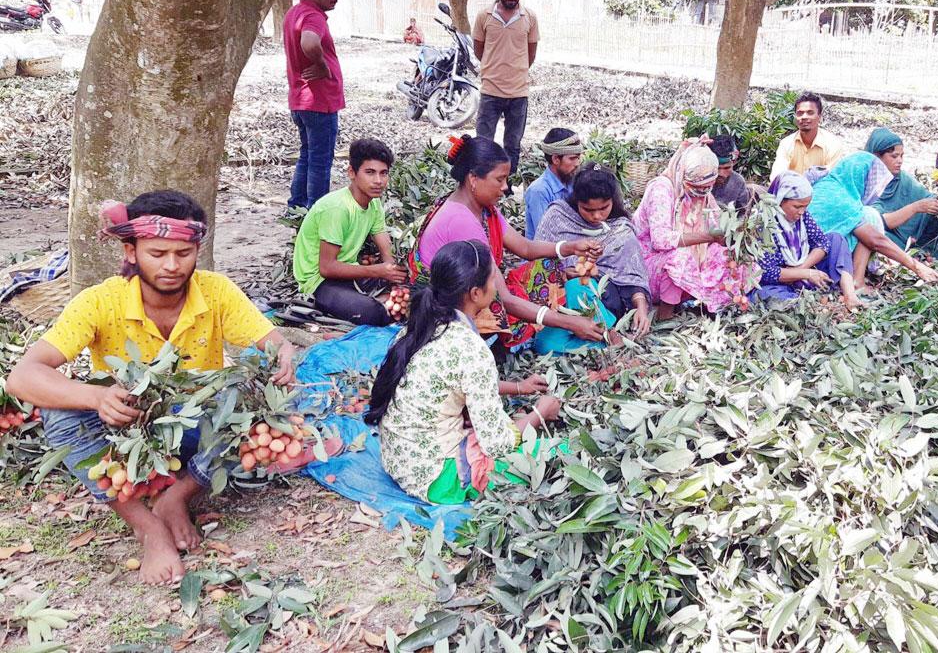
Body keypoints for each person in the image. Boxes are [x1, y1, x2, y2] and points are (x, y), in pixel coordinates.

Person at [5, 191, 297, 585]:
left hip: (196, 426)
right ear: (131, 251)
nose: (173, 266)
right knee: (60, 413)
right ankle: (146, 525)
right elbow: (23, 376)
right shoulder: (100, 301)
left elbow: (270, 340)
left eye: (184, 253)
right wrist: (96, 397)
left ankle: (177, 496)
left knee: (249, 396)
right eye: (158, 253)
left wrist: (283, 352)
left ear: (197, 249)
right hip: (129, 428)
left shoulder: (216, 291)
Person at [368, 240, 562, 504]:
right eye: (494, 280)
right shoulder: (471, 348)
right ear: (475, 293)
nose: (497, 286)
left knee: (495, 422)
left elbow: (456, 380)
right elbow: (498, 445)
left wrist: (518, 387)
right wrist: (539, 413)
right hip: (438, 479)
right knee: (555, 451)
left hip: (398, 458)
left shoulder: (419, 327)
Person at [408, 135, 609, 354]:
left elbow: (524, 247)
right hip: (448, 305)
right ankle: (507, 342)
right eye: (500, 179)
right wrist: (568, 322)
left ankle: (534, 328)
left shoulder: (482, 209)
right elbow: (504, 299)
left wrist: (570, 247)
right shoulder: (461, 220)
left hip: (475, 291)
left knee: (549, 266)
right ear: (473, 179)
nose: (505, 187)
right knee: (510, 311)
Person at [292, 138, 406, 326]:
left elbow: (387, 252)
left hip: (349, 272)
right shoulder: (337, 209)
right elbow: (326, 268)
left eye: (383, 173)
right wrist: (377, 272)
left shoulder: (374, 203)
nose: (378, 181)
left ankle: (378, 299)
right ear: (352, 172)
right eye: (370, 173)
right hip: (319, 282)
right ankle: (374, 302)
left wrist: (397, 278)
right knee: (374, 314)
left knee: (415, 292)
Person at [634, 138, 748, 320]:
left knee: (727, 255)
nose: (701, 193)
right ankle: (665, 315)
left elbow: (716, 222)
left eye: (706, 188)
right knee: (679, 258)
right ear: (683, 174)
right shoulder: (662, 190)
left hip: (689, 257)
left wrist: (735, 231)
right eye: (696, 188)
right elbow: (661, 240)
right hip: (648, 265)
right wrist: (707, 237)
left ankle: (714, 305)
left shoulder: (705, 193)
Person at [535, 163, 653, 337]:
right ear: (576, 201)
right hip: (562, 303)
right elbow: (537, 263)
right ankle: (601, 336)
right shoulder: (558, 217)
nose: (597, 216)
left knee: (585, 289)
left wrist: (641, 308)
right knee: (577, 287)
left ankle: (606, 332)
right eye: (588, 210)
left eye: (604, 208)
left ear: (613, 201)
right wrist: (563, 272)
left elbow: (632, 277)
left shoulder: (620, 229)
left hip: (608, 303)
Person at [806, 151, 938, 293]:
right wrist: (917, 267)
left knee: (866, 218)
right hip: (814, 256)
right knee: (869, 218)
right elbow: (875, 240)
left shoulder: (830, 184)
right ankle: (856, 281)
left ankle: (856, 278)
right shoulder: (842, 199)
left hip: (811, 248)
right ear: (860, 178)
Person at [284, 0, 345, 210]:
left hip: (301, 100)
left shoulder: (294, 13)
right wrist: (321, 65)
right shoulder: (312, 15)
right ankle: (316, 214)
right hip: (319, 101)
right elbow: (309, 43)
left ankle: (296, 209)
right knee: (320, 162)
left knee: (307, 156)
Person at [757, 172, 861, 309]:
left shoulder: (802, 216)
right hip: (779, 282)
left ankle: (850, 294)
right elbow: (768, 273)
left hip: (803, 266)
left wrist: (802, 269)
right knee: (766, 294)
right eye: (797, 207)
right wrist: (806, 274)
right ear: (780, 200)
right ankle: (808, 303)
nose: (801, 212)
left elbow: (822, 243)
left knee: (836, 239)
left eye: (805, 207)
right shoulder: (762, 224)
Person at [473, 0, 539, 179]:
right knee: (483, 143)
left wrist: (515, 71)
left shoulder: (529, 17)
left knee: (513, 145)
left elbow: (531, 54)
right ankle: (482, 184)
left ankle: (506, 186)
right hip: (490, 91)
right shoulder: (484, 16)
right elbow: (479, 50)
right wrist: (495, 67)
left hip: (518, 94)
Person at [865, 128, 938, 259]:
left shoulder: (901, 178)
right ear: (876, 157)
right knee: (873, 237)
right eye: (894, 156)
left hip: (913, 236)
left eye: (902, 156)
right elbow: (878, 220)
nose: (900, 161)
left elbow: (926, 197)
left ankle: (927, 250)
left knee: (936, 215)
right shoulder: (867, 181)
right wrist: (915, 208)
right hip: (887, 235)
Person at [769, 92, 846, 179]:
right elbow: (777, 176)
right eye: (800, 113)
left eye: (810, 112)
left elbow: (832, 180)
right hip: (790, 190)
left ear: (819, 117)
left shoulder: (832, 144)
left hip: (820, 191)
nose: (804, 117)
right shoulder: (786, 144)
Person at [523, 129, 583, 240]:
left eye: (578, 158)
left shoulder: (574, 182)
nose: (577, 164)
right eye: (572, 158)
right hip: (545, 254)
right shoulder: (539, 191)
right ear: (555, 159)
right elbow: (546, 235)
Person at [710, 134, 754, 214]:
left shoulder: (738, 182)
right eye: (717, 168)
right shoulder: (698, 180)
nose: (721, 173)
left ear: (734, 162)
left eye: (727, 168)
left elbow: (743, 214)